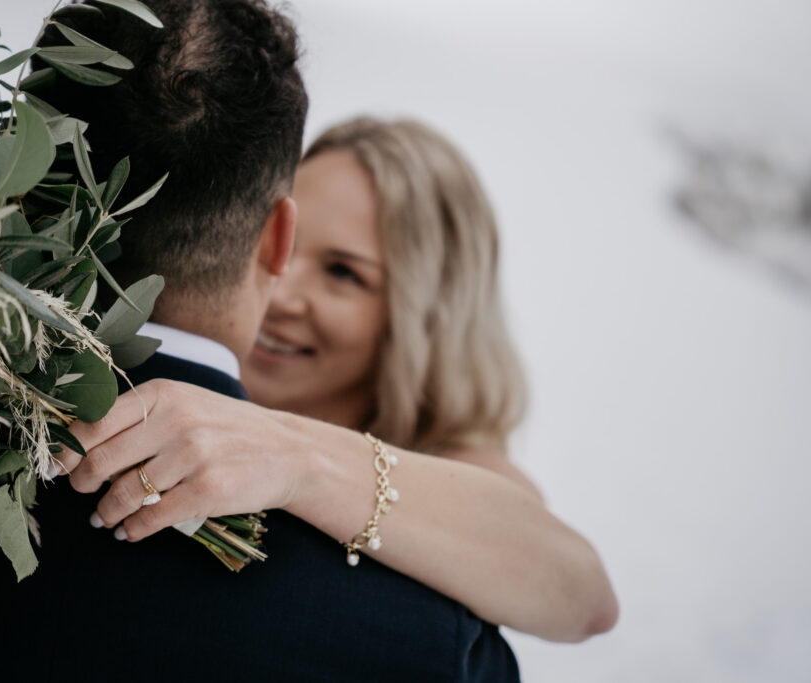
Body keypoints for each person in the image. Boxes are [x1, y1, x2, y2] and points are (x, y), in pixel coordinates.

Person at [0, 2, 521, 682]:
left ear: (23, 186)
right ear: (280, 236)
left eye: (344, 272)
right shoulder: (427, 640)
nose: (294, 299)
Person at [60, 118, 619, 643]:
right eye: (281, 243)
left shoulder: (462, 467)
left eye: (343, 273)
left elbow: (584, 597)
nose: (279, 289)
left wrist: (296, 458)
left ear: (423, 317)